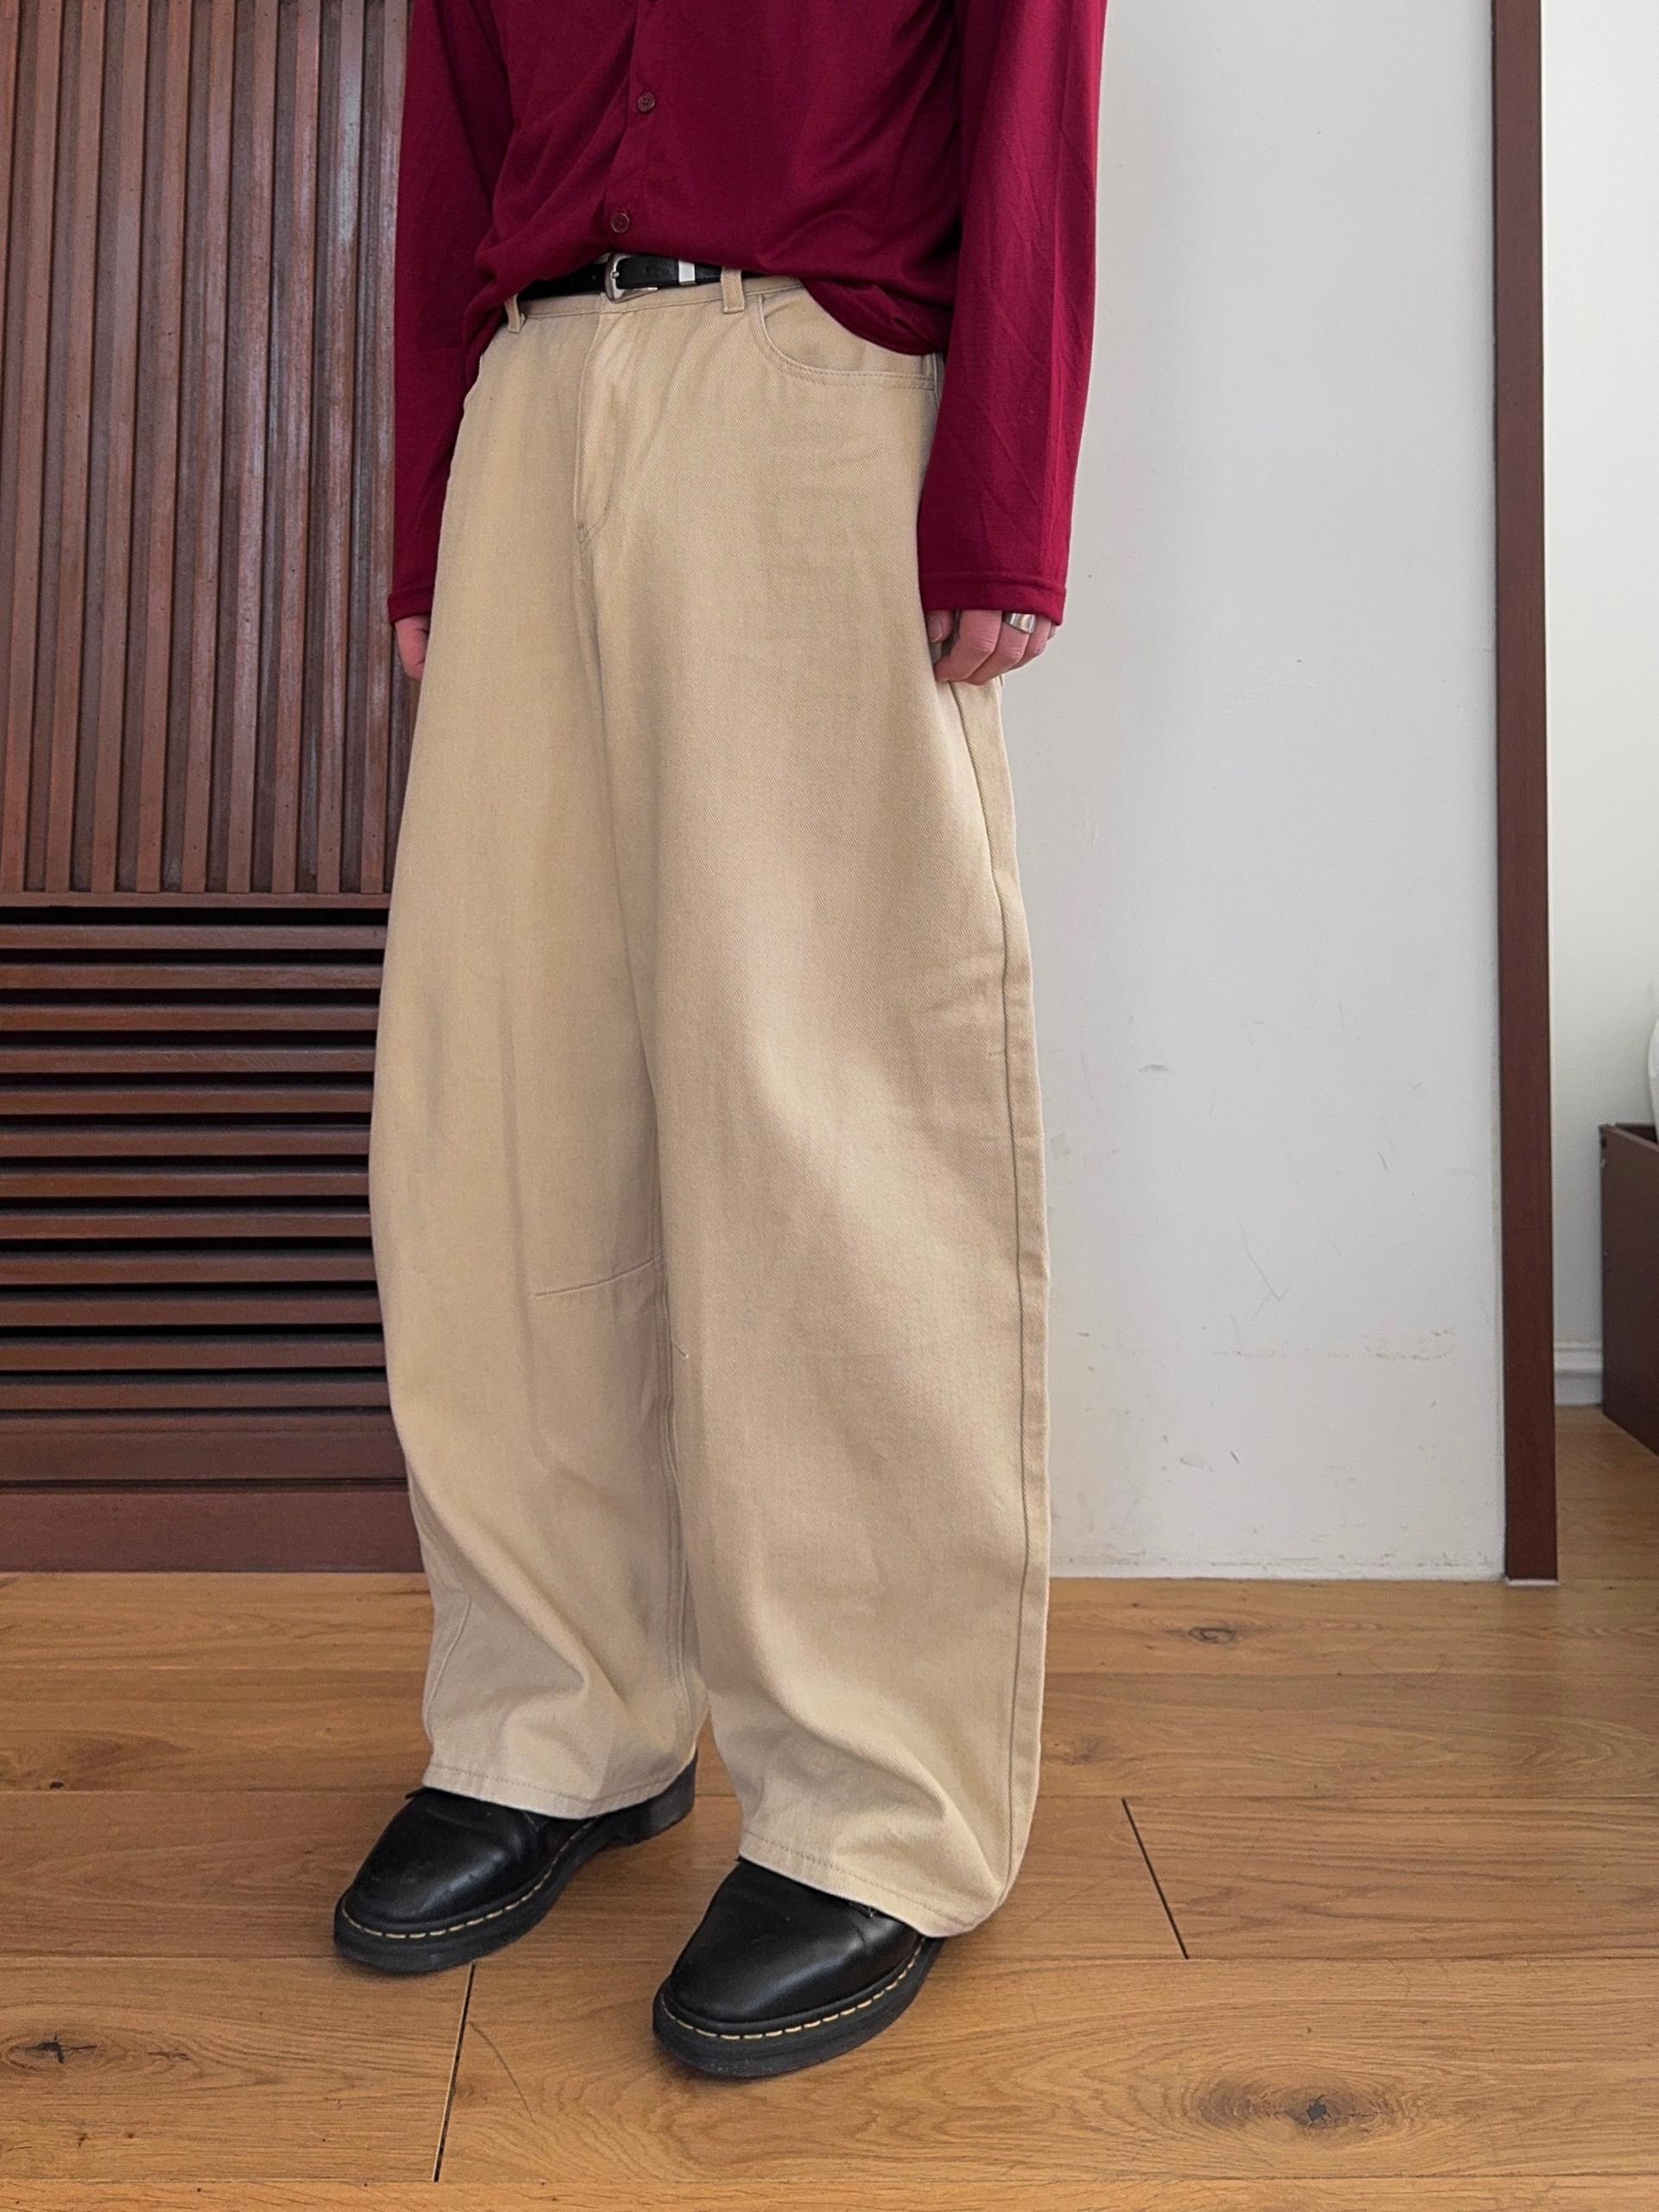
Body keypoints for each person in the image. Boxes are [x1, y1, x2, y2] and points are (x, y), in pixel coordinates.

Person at [334, 0, 1109, 2079]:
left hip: (813, 384)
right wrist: (433, 503)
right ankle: (556, 1716)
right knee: (498, 1109)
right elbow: (456, 124)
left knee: (826, 1110)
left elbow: (1033, 74)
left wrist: (1005, 486)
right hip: (534, 398)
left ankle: (872, 1797)